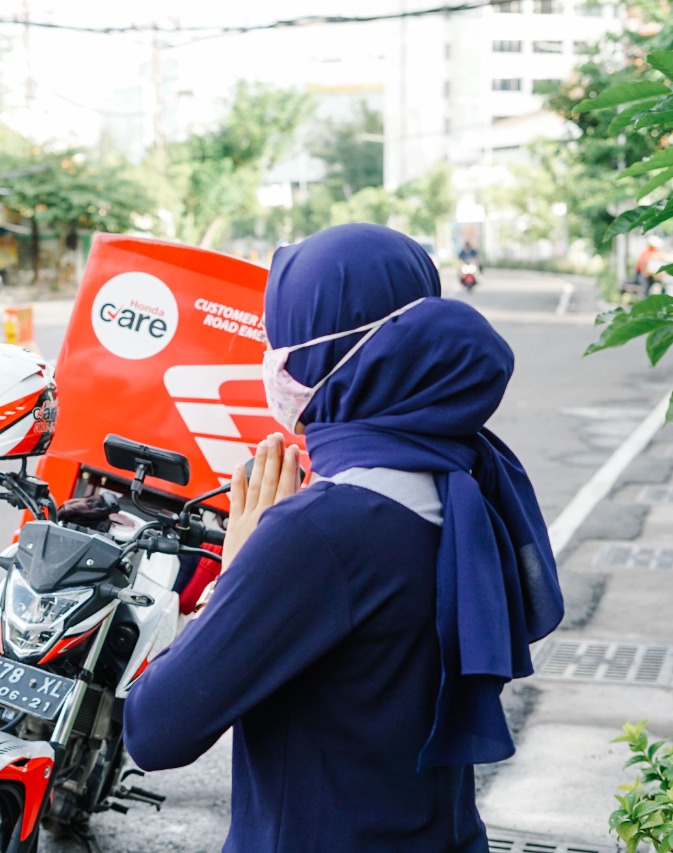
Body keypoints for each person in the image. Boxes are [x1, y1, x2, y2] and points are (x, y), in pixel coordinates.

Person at [123, 223, 563, 852]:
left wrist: (240, 564)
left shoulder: (317, 533)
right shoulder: (463, 475)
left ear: (328, 356)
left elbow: (156, 729)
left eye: (283, 340)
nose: (274, 361)